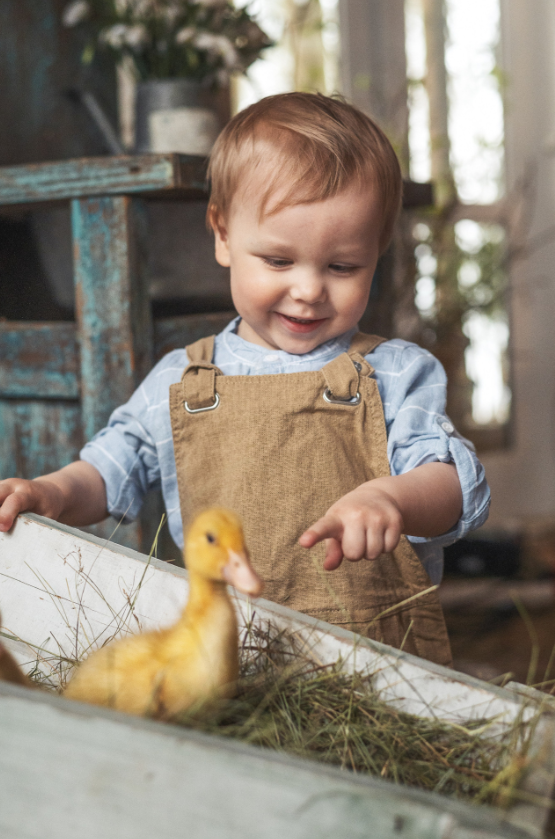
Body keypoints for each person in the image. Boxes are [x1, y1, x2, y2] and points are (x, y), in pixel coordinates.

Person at [0, 93, 489, 665]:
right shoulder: (182, 381)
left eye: (342, 267)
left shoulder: (396, 372)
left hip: (377, 665)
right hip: (234, 664)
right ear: (223, 234)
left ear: (376, 254)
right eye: (279, 261)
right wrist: (54, 492)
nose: (308, 290)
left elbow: (456, 487)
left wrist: (392, 499)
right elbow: (112, 469)